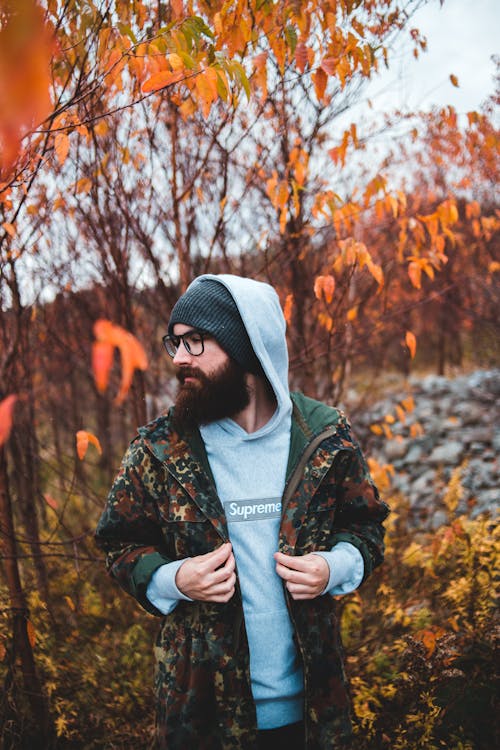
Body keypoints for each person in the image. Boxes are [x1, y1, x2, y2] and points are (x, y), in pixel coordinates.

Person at [95, 274, 389, 750]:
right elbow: (117, 543)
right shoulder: (160, 449)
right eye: (175, 342)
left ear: (247, 348)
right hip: (201, 718)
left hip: (314, 710)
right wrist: (173, 579)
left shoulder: (323, 437)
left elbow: (365, 527)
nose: (178, 358)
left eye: (196, 341)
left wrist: (332, 567)